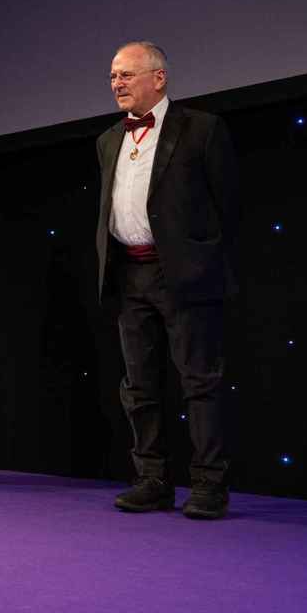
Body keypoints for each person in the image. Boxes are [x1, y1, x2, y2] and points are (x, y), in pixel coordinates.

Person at [95, 42, 239, 519]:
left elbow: (228, 205)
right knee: (139, 386)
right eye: (113, 76)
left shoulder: (201, 128)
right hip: (129, 274)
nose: (116, 83)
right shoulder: (108, 139)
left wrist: (202, 262)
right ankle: (153, 480)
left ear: (158, 78)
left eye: (126, 74)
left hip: (183, 275)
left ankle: (209, 485)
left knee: (199, 382)